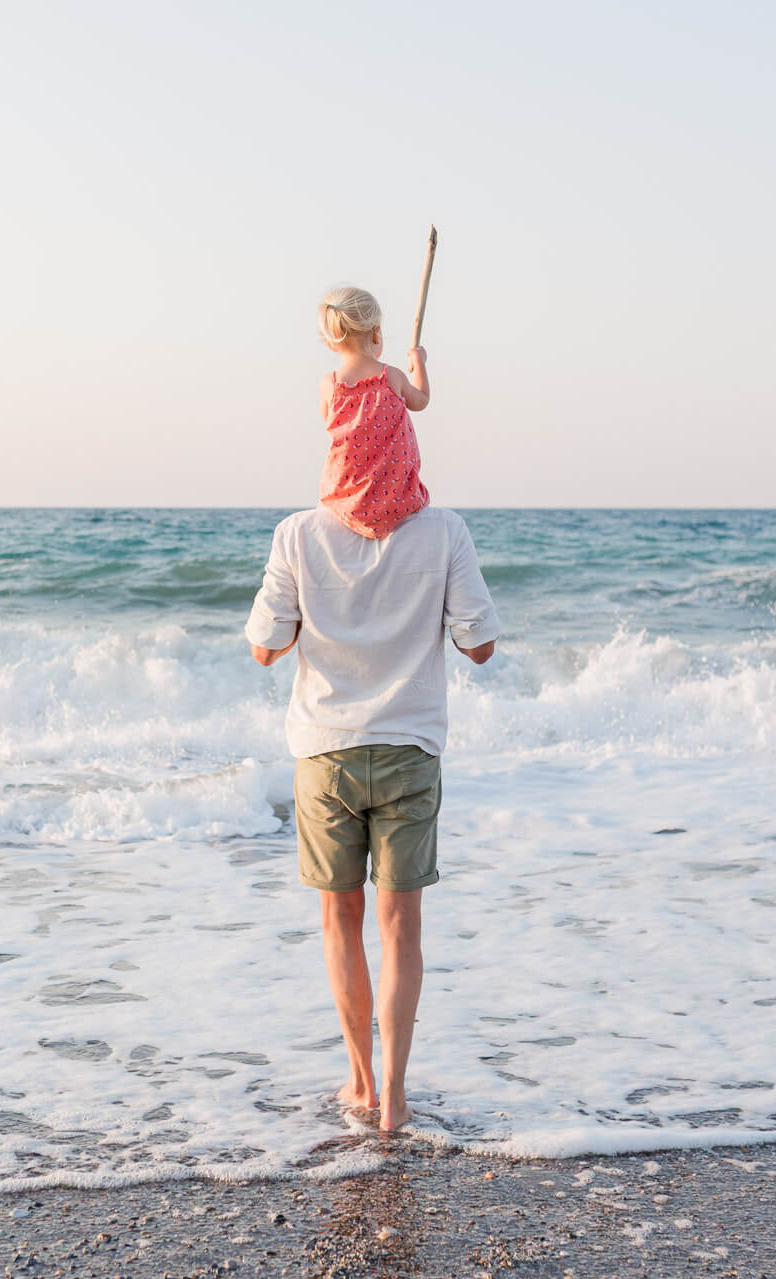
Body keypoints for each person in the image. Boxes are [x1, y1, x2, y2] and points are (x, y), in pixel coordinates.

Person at [244, 492, 500, 1133]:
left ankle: (358, 1081)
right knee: (401, 927)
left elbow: (266, 648)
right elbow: (481, 646)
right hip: (408, 751)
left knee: (340, 920)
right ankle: (394, 1096)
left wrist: (327, 610)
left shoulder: (298, 534)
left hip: (326, 753)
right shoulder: (444, 531)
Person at [316, 286, 431, 539]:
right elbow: (421, 400)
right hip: (398, 500)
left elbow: (331, 425)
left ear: (330, 341)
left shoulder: (329, 385)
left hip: (345, 501)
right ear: (376, 333)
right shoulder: (391, 376)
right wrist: (420, 363)